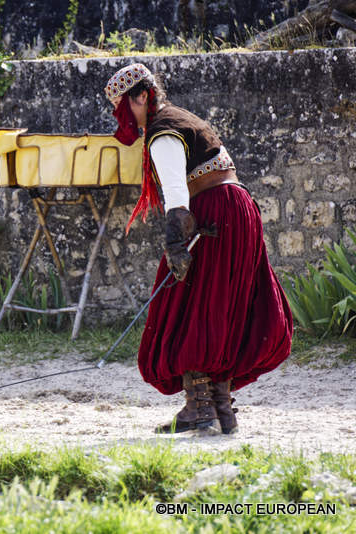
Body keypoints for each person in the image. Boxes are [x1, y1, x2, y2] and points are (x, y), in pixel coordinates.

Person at [103, 63, 293, 435]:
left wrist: (176, 245)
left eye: (125, 107)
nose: (123, 117)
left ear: (142, 96)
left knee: (187, 306)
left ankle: (199, 408)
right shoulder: (181, 117)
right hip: (238, 209)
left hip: (214, 212)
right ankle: (220, 409)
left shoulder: (163, 131)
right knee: (219, 307)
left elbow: (176, 193)